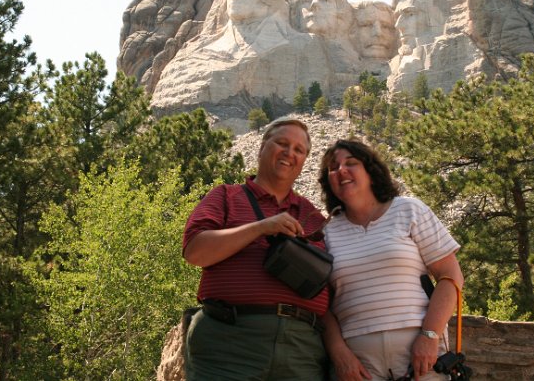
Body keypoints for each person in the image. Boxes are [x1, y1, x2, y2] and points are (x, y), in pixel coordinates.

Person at [182, 117, 330, 380]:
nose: (289, 153)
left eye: (299, 150)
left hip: (301, 349)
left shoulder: (313, 216)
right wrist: (260, 227)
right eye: (282, 143)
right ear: (262, 146)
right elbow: (195, 252)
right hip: (228, 343)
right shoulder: (226, 196)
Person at [318, 139, 463, 381]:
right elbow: (321, 303)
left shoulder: (409, 210)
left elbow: (451, 276)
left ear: (371, 172)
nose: (341, 170)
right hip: (358, 364)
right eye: (333, 167)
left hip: (421, 357)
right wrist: (339, 353)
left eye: (351, 163)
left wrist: (429, 336)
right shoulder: (325, 231)